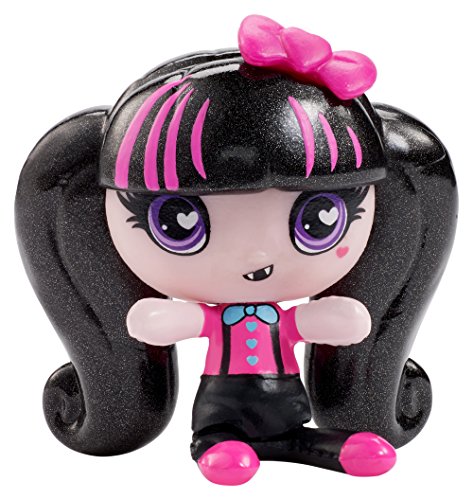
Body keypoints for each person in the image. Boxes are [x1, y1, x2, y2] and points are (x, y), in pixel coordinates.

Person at [15, 14, 457, 486]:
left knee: (303, 438)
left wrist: (333, 319)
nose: (256, 257)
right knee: (225, 438)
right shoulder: (215, 319)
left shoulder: (280, 319)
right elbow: (166, 323)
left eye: (319, 220)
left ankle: (313, 445)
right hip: (220, 410)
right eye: (178, 223)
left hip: (287, 408)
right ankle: (217, 445)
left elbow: (315, 324)